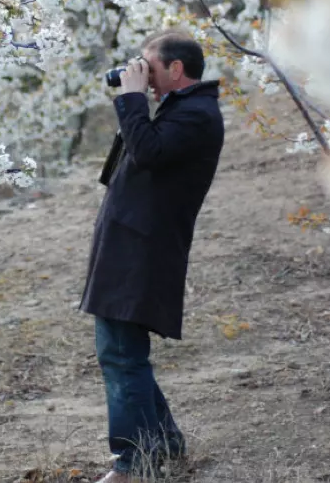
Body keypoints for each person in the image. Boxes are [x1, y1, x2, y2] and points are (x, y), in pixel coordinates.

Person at [79, 31, 225, 483]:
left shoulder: (197, 115)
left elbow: (146, 152)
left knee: (121, 354)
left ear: (176, 69)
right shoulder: (182, 110)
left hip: (142, 252)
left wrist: (132, 98)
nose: (141, 73)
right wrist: (136, 97)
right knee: (123, 354)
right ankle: (165, 446)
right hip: (130, 248)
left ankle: (132, 463)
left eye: (149, 65)